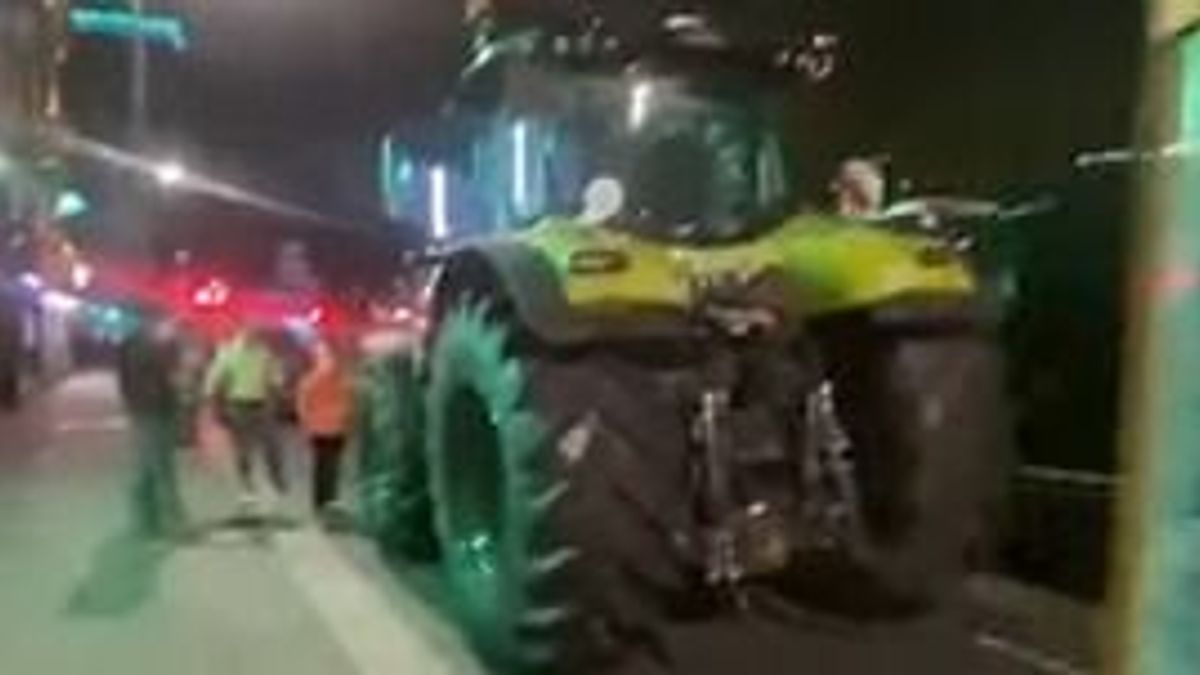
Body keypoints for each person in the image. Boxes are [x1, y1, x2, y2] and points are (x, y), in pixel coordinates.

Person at [116, 307, 187, 539]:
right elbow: (166, 377)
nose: (172, 327)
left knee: (148, 465)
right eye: (169, 323)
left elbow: (125, 380)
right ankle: (173, 521)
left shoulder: (132, 343)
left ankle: (146, 520)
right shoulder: (150, 347)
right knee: (161, 466)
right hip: (153, 409)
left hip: (146, 409)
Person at [204, 326, 287, 514]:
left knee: (272, 445)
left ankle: (275, 483)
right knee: (243, 449)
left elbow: (275, 378)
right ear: (240, 331)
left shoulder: (263, 353)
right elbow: (213, 380)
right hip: (238, 405)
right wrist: (214, 404)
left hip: (261, 404)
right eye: (247, 330)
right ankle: (247, 489)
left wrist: (277, 390)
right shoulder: (228, 352)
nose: (251, 333)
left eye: (254, 330)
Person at [296, 340, 354, 518]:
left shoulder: (340, 381)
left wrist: (346, 421)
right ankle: (322, 500)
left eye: (330, 357)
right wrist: (307, 425)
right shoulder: (311, 381)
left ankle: (329, 499)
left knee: (332, 465)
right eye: (324, 357)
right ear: (318, 359)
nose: (329, 361)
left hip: (336, 429)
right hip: (320, 429)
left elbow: (348, 403)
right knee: (322, 466)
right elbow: (303, 406)